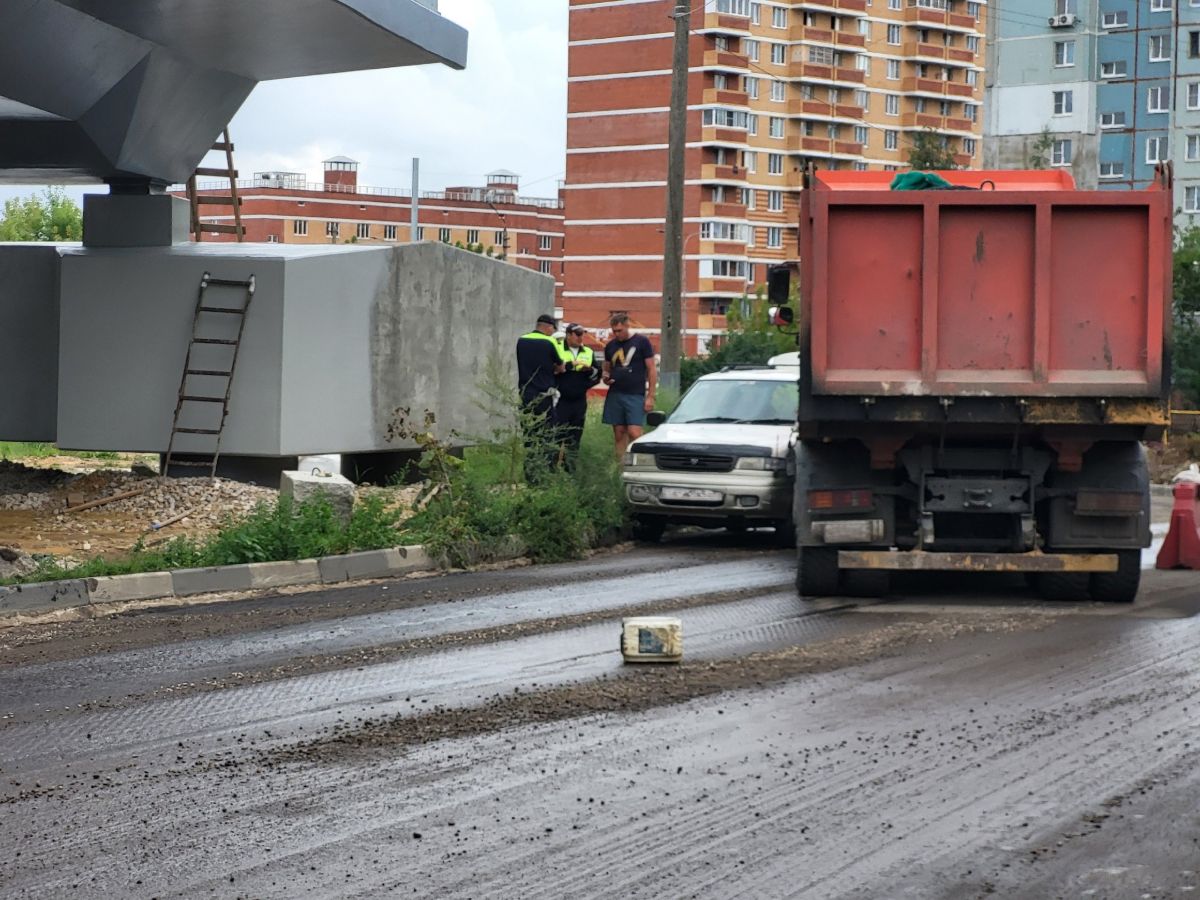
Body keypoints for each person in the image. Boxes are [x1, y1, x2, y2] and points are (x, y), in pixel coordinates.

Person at [601, 313, 657, 460]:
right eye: (614, 331)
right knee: (619, 432)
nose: (617, 334)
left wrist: (650, 396)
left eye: (620, 330)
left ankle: (640, 462)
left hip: (635, 393)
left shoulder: (641, 342)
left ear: (627, 326)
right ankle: (620, 469)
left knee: (634, 432)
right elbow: (607, 368)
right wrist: (606, 377)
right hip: (616, 393)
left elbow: (651, 369)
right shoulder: (610, 346)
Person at [516, 313, 564, 481]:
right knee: (547, 435)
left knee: (529, 435)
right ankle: (546, 472)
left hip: (526, 394)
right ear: (548, 327)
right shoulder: (550, 341)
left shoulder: (521, 340)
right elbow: (561, 367)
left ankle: (529, 474)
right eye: (553, 329)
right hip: (544, 395)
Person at [555, 323, 601, 468]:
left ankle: (569, 470)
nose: (581, 337)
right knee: (556, 436)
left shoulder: (588, 351)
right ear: (568, 335)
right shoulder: (557, 349)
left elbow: (597, 373)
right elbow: (551, 369)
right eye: (578, 334)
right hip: (560, 400)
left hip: (579, 401)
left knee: (574, 438)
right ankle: (552, 469)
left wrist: (588, 374)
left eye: (582, 334)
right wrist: (569, 365)